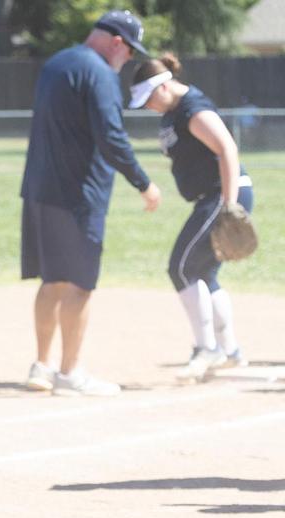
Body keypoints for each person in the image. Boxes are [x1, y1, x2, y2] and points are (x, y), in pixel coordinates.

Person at [21, 10, 162, 396]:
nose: (128, 59)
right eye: (130, 51)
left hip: (40, 188)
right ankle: (69, 373)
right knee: (80, 285)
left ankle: (42, 365)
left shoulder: (57, 63)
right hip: (79, 195)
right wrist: (144, 183)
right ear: (117, 43)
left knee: (52, 280)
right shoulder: (99, 72)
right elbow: (111, 136)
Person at [128, 53, 253, 381]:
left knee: (181, 268)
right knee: (203, 273)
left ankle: (206, 348)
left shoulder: (192, 109)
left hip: (222, 194)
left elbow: (227, 149)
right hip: (211, 197)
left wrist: (229, 205)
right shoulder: (173, 112)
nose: (148, 107)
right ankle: (230, 351)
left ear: (164, 87)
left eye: (149, 99)